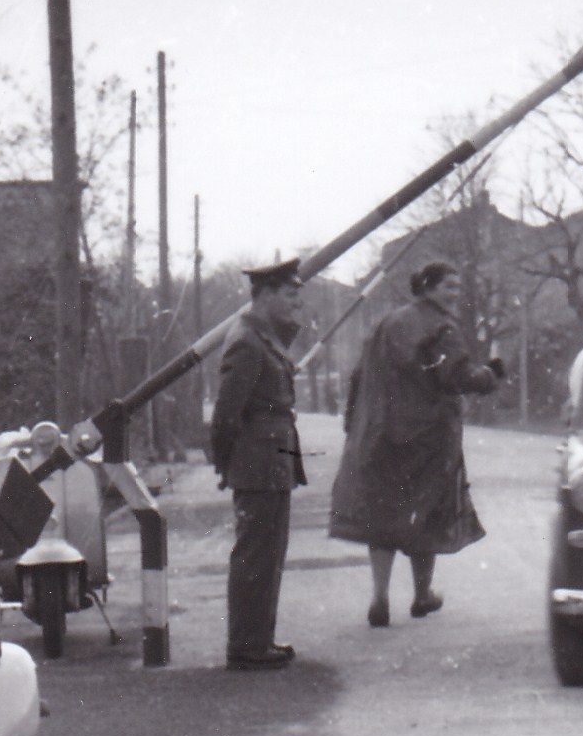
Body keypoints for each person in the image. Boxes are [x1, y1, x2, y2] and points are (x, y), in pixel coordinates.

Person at [327, 260, 504, 625]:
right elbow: (456, 376)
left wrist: (354, 423)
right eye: (448, 286)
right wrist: (490, 375)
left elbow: (360, 375)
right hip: (428, 439)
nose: (455, 294)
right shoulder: (442, 328)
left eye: (457, 287)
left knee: (382, 513)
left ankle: (380, 597)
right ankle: (422, 595)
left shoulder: (386, 324)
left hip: (380, 437)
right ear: (427, 287)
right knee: (426, 513)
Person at [208, 259, 308, 670]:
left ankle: (258, 638)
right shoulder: (247, 341)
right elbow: (227, 413)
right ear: (265, 295)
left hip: (269, 460)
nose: (297, 303)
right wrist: (225, 462)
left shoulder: (262, 336)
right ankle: (247, 644)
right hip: (257, 460)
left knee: (269, 553)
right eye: (290, 295)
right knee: (256, 554)